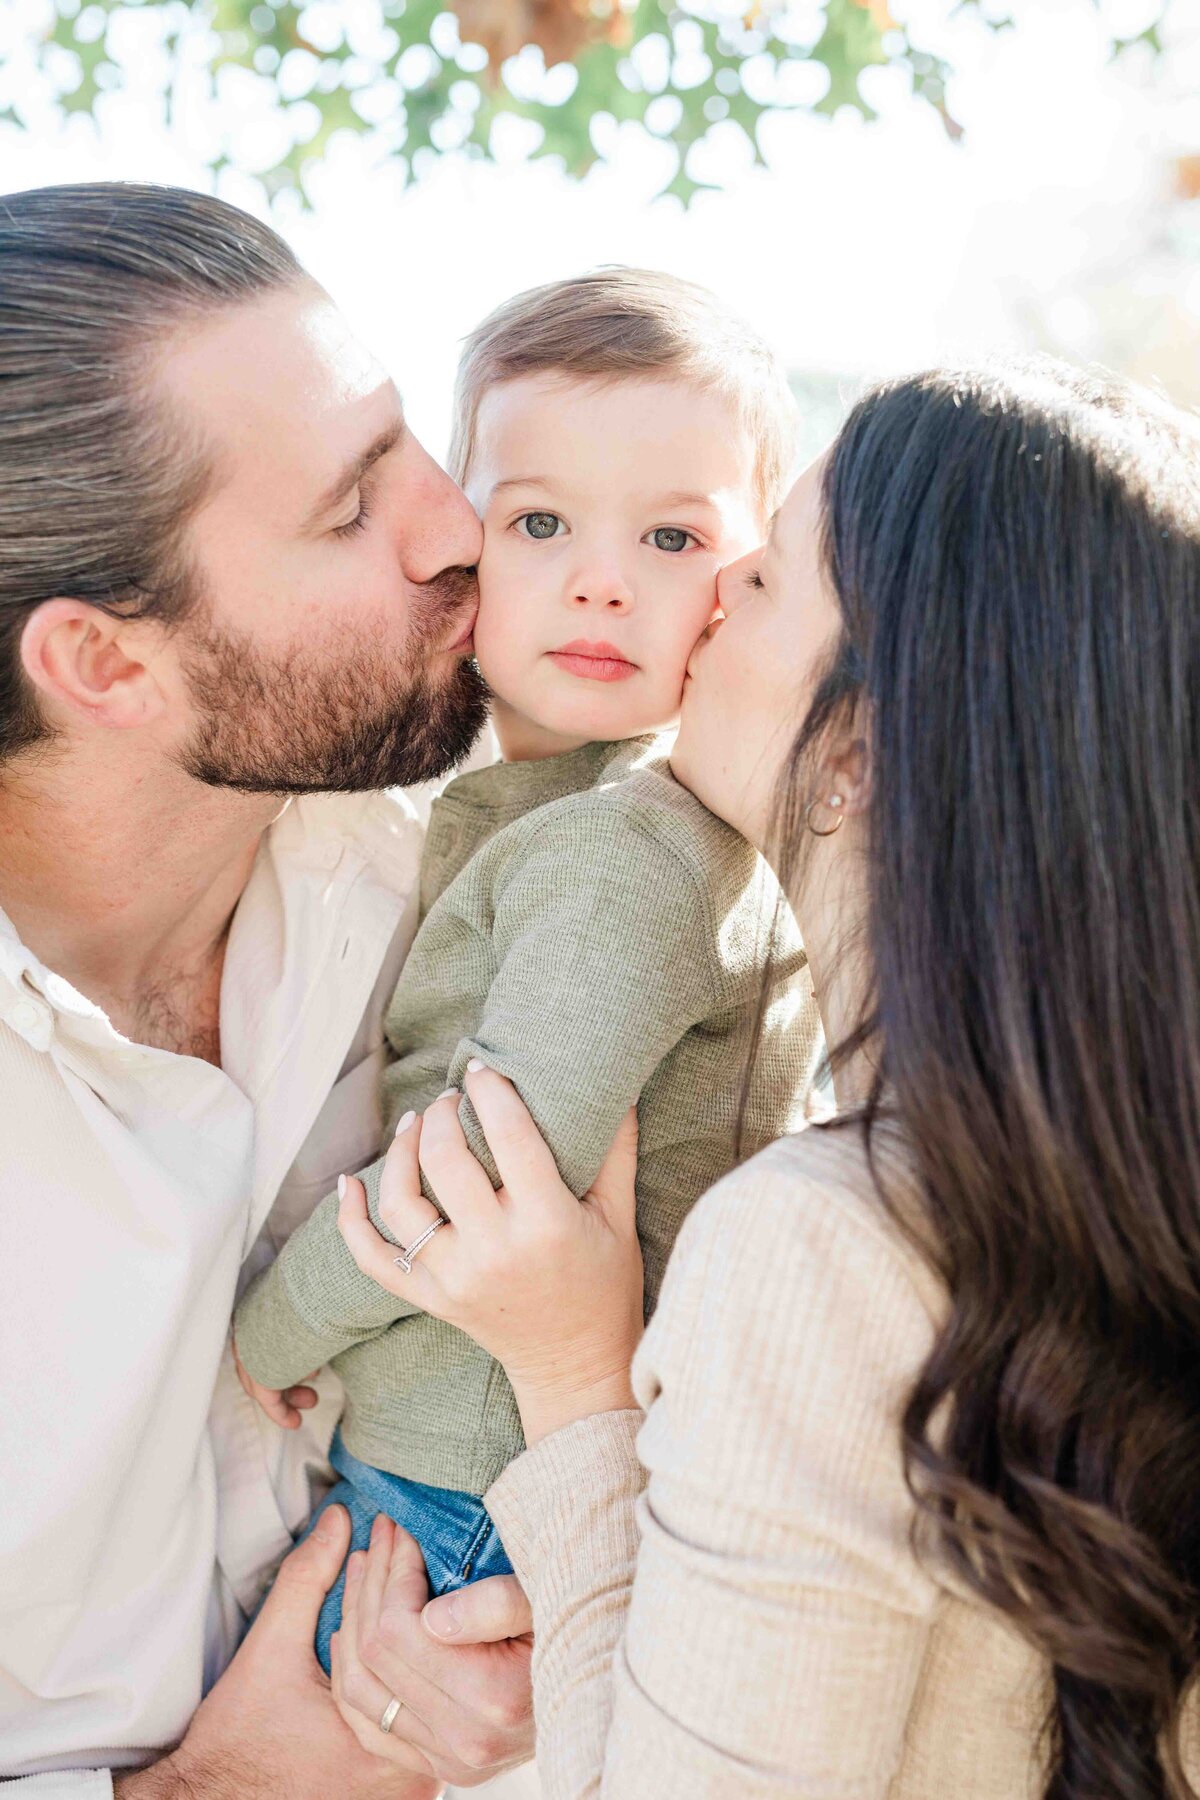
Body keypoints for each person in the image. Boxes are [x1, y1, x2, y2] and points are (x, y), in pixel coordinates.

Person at [334, 359, 1200, 1799]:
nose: (699, 599)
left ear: (853, 752)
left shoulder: (822, 1242)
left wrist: (572, 1376)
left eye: (761, 583)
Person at [0, 181, 532, 1797]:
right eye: (347, 506)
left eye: (407, 438)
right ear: (105, 664)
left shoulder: (473, 865)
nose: (458, 525)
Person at [231, 270, 824, 1672]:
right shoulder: (551, 816)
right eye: (540, 520)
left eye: (673, 536)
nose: (601, 578)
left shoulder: (628, 850)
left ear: (747, 595)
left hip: (478, 1481)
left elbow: (487, 1171)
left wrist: (267, 1328)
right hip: (480, 1447)